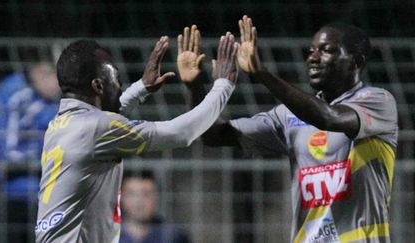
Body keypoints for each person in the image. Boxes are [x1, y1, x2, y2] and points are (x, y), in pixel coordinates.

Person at [182, 16, 398, 242]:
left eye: (327, 51)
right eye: (311, 50)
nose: (313, 58)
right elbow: (213, 135)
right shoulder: (288, 116)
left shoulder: (378, 102)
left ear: (356, 62)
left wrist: (262, 74)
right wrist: (194, 87)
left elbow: (328, 117)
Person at [35, 32, 238, 243]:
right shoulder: (97, 128)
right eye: (115, 78)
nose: (120, 84)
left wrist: (141, 88)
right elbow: (180, 133)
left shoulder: (61, 124)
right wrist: (224, 85)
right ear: (97, 86)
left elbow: (105, 120)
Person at [0, 63, 59, 192]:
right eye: (52, 75)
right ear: (37, 72)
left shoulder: (49, 101)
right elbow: (11, 152)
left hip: (30, 172)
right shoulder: (15, 93)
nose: (57, 84)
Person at [119, 171, 190, 243]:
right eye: (132, 195)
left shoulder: (173, 236)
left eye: (146, 194)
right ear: (121, 197)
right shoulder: (110, 235)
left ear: (156, 197)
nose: (139, 202)